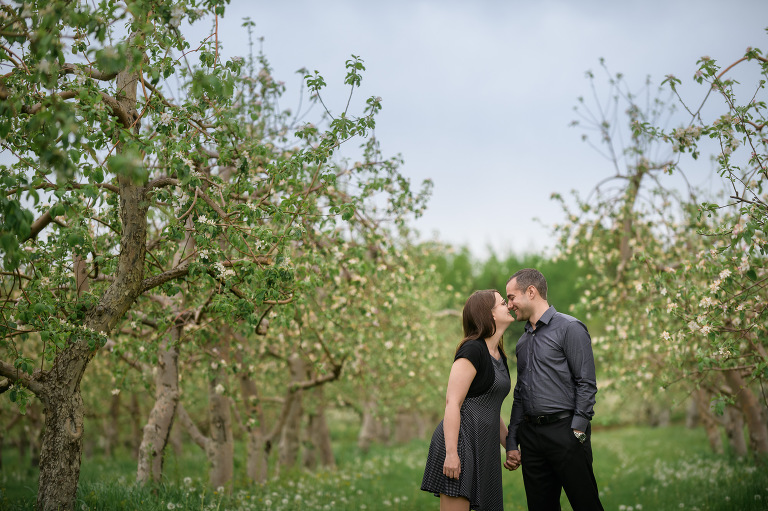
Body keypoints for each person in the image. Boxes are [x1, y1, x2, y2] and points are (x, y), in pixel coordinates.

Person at [503, 268, 604, 511]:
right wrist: (513, 440)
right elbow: (520, 394)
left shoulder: (570, 328)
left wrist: (577, 429)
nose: (509, 305)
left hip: (566, 432)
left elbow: (586, 383)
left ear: (531, 291)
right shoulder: (523, 341)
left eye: (511, 297)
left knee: (586, 504)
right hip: (532, 439)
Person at [421, 289, 515, 511]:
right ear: (489, 314)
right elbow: (452, 402)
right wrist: (451, 453)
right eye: (503, 303)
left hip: (485, 446)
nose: (509, 305)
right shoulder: (472, 349)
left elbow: (491, 408)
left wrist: (510, 445)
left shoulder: (500, 355)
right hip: (461, 443)